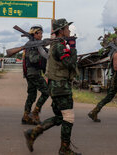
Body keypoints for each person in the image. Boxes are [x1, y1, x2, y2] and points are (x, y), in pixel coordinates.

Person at [24, 19, 81, 155]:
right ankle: (64, 149)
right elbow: (69, 63)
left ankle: (33, 133)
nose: (69, 31)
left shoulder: (58, 45)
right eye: (67, 28)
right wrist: (73, 50)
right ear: (61, 31)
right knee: (68, 117)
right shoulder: (60, 46)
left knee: (60, 117)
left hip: (56, 86)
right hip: (61, 86)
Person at [22, 25, 49, 125]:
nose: (41, 35)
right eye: (40, 33)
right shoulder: (32, 45)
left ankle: (26, 116)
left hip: (30, 73)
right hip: (34, 73)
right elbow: (33, 59)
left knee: (32, 95)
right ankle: (35, 113)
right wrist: (42, 53)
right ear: (35, 34)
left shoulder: (33, 44)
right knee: (46, 92)